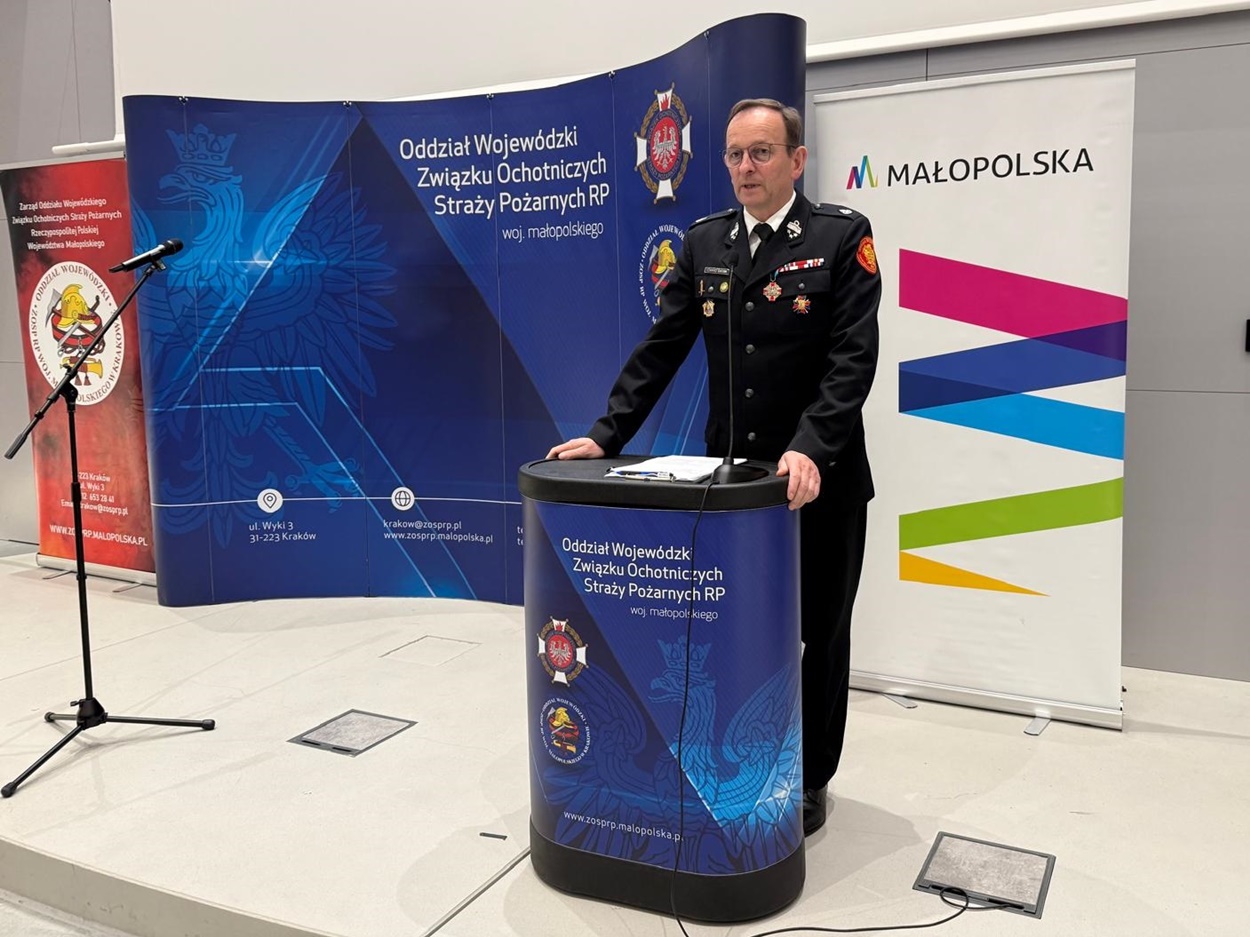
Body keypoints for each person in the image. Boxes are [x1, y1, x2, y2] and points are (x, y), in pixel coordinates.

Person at [547, 98, 880, 837]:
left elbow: (853, 359)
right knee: (734, 632)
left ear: (796, 160)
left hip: (820, 479)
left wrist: (810, 445)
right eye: (734, 154)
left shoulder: (839, 237)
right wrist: (607, 434)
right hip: (734, 489)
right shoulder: (705, 244)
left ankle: (810, 779)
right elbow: (661, 348)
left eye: (761, 152)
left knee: (820, 634)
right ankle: (736, 769)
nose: (744, 167)